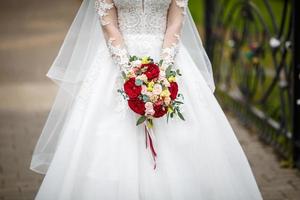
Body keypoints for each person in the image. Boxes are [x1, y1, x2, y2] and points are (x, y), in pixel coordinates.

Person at [30, 0, 263, 199]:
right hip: (117, 59)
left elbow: (175, 22)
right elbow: (108, 23)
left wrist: (163, 71)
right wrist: (129, 72)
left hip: (167, 57)